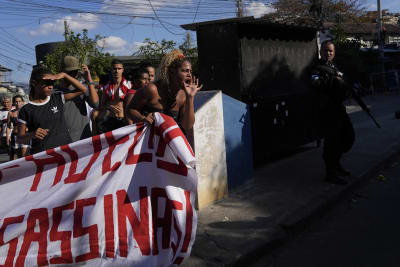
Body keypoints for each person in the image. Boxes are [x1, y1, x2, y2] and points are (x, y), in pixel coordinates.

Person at [127, 49, 202, 135]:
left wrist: (190, 97)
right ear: (172, 71)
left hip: (168, 143)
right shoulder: (152, 89)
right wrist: (143, 119)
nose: (189, 75)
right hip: (149, 143)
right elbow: (130, 110)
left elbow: (187, 126)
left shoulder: (184, 95)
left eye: (190, 71)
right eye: (185, 71)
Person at [311, 40, 355, 185]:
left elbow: (345, 83)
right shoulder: (317, 68)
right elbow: (316, 84)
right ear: (321, 52)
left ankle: (336, 164)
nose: (328, 53)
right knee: (332, 142)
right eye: (325, 50)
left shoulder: (335, 67)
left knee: (348, 137)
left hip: (339, 108)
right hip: (327, 110)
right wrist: (334, 81)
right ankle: (330, 173)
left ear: (334, 52)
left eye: (330, 51)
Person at [17, 67, 89, 155]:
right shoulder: (25, 110)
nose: (51, 86)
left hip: (66, 152)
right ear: (34, 83)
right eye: (47, 83)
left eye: (52, 83)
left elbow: (83, 89)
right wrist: (32, 134)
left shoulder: (57, 98)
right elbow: (19, 138)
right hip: (43, 156)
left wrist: (64, 75)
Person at [55, 56, 99, 142]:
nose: (73, 75)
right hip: (62, 141)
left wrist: (89, 80)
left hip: (83, 139)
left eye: (75, 72)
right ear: (62, 72)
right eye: (70, 72)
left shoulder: (82, 88)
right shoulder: (54, 91)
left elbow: (95, 104)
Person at [96, 59, 132, 133]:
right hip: (111, 119)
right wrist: (109, 107)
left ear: (123, 70)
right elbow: (101, 106)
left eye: (119, 68)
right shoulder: (106, 87)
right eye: (114, 69)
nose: (117, 71)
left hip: (125, 120)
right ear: (111, 70)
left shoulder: (129, 85)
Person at [7, 95, 28, 159]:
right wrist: (8, 137)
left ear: (22, 102)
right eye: (16, 101)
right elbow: (8, 126)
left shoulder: (27, 111)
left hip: (25, 136)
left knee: (24, 155)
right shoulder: (11, 113)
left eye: (19, 101)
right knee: (17, 156)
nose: (18, 103)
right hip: (15, 136)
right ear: (13, 102)